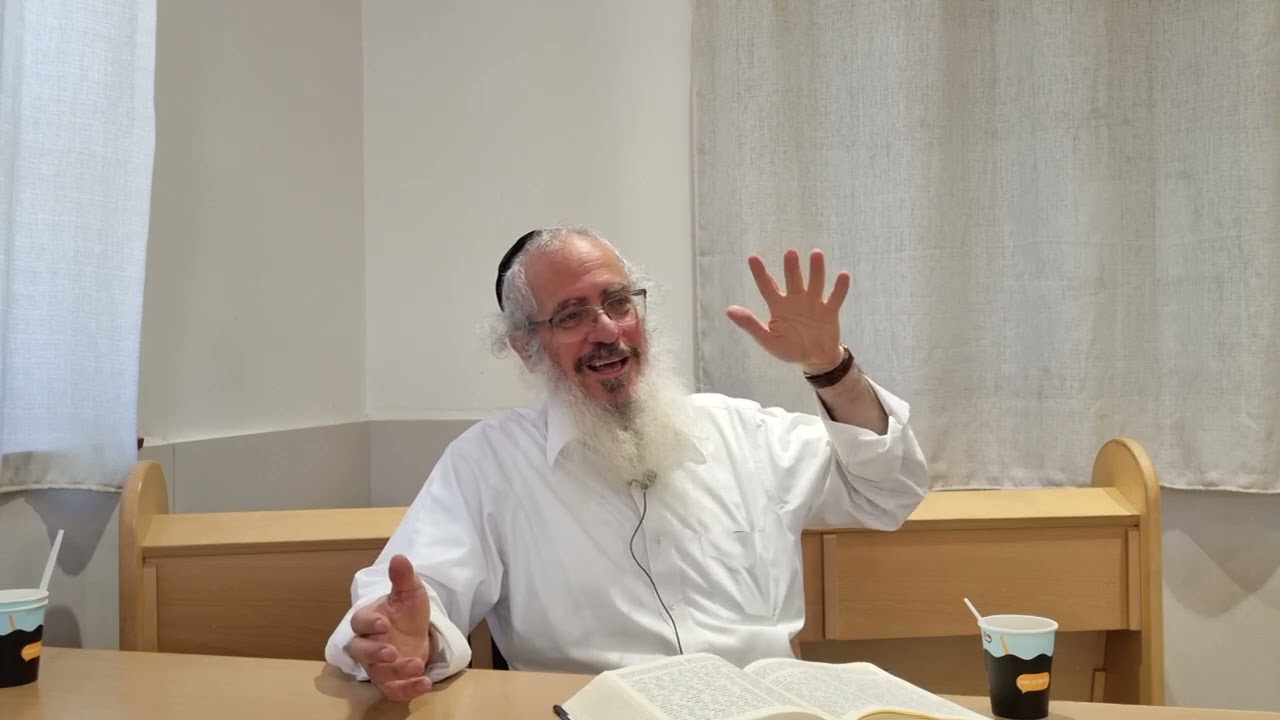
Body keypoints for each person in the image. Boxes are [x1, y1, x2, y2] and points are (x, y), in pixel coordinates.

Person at [324, 227, 930, 701]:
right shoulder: (491, 461)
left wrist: (829, 368)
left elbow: (886, 492)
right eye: (571, 316)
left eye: (618, 302)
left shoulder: (741, 432)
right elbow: (412, 593)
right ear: (526, 347)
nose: (607, 330)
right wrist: (408, 637)